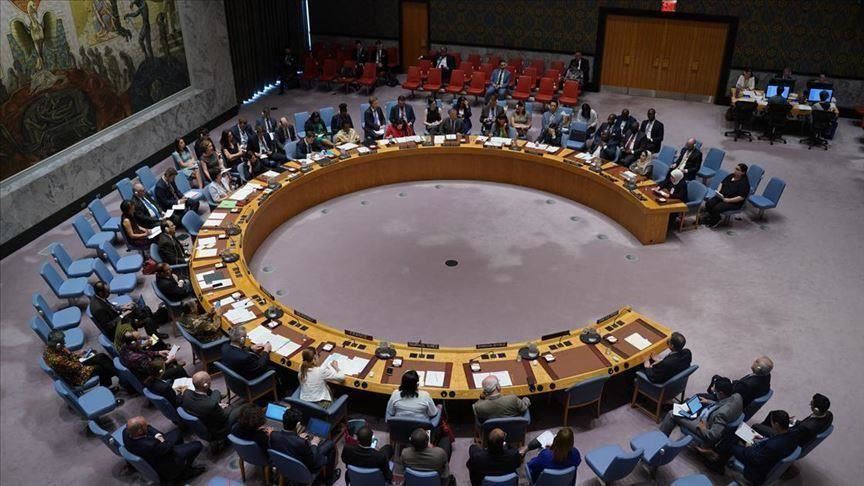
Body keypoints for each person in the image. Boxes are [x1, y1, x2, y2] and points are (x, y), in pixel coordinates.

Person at [659, 376, 743, 448]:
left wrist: (702, 428)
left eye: (715, 392)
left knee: (672, 414)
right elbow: (723, 403)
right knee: (691, 402)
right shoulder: (737, 396)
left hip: (702, 425)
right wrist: (709, 402)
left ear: (721, 393)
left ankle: (658, 443)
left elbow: (713, 435)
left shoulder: (722, 414)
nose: (713, 392)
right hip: (709, 414)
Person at [123, 416, 205, 482]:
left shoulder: (126, 432)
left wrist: (157, 435)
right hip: (163, 461)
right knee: (197, 445)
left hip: (156, 452)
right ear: (140, 431)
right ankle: (183, 472)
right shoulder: (150, 445)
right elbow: (167, 445)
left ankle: (181, 461)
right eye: (145, 425)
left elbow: (151, 429)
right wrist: (161, 439)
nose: (147, 424)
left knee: (177, 433)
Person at [270, 407, 341, 483]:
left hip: (285, 465)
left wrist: (297, 437)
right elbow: (312, 460)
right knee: (330, 444)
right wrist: (314, 444)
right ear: (298, 425)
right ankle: (329, 479)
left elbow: (288, 441)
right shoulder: (301, 443)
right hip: (305, 468)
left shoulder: (273, 435)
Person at [731, 410, 799, 485]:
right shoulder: (793, 434)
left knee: (732, 446)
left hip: (757, 469)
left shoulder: (773, 446)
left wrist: (748, 448)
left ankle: (722, 465)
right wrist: (764, 439)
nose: (771, 424)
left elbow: (756, 459)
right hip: (768, 456)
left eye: (772, 422)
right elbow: (775, 440)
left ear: (776, 424)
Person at [43, 329, 120, 389]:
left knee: (101, 357)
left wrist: (81, 355)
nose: (64, 343)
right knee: (101, 367)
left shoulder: (50, 349)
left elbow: (69, 356)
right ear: (58, 345)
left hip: (74, 364)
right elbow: (75, 367)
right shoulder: (57, 359)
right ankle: (112, 383)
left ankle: (119, 375)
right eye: (62, 342)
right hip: (76, 375)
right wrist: (85, 359)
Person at [181, 371, 243, 445]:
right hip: (218, 428)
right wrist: (225, 407)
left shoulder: (186, 393)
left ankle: (219, 401)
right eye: (210, 380)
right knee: (239, 408)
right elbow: (223, 418)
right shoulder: (211, 405)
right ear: (205, 385)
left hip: (203, 413)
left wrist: (217, 406)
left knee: (216, 392)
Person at [754, 394, 833, 446]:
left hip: (787, 438)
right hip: (797, 432)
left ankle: (761, 440)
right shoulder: (828, 415)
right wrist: (794, 421)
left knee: (757, 426)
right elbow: (805, 425)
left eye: (811, 404)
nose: (810, 404)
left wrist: (784, 423)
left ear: (816, 410)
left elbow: (790, 436)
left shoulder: (806, 428)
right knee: (774, 414)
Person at [704, 356, 772, 407]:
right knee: (717, 378)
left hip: (732, 401)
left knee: (701, 397)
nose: (753, 361)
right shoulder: (766, 375)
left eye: (756, 361)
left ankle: (713, 394)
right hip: (743, 393)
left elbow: (731, 395)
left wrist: (717, 390)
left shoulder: (747, 385)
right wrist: (731, 382)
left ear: (758, 368)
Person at [118, 331, 187, 381]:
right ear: (133, 343)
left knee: (165, 356)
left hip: (144, 368)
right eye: (138, 341)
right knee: (179, 370)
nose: (140, 342)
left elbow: (144, 352)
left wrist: (158, 352)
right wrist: (166, 362)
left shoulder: (125, 346)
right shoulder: (136, 358)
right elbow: (153, 370)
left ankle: (172, 366)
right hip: (150, 377)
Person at [703, 163, 750, 228]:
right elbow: (722, 183)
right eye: (735, 168)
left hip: (733, 202)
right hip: (723, 196)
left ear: (743, 172)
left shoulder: (745, 184)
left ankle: (715, 220)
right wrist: (718, 192)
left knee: (717, 208)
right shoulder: (731, 175)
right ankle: (714, 216)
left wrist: (728, 200)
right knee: (709, 203)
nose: (735, 170)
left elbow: (741, 197)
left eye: (738, 169)